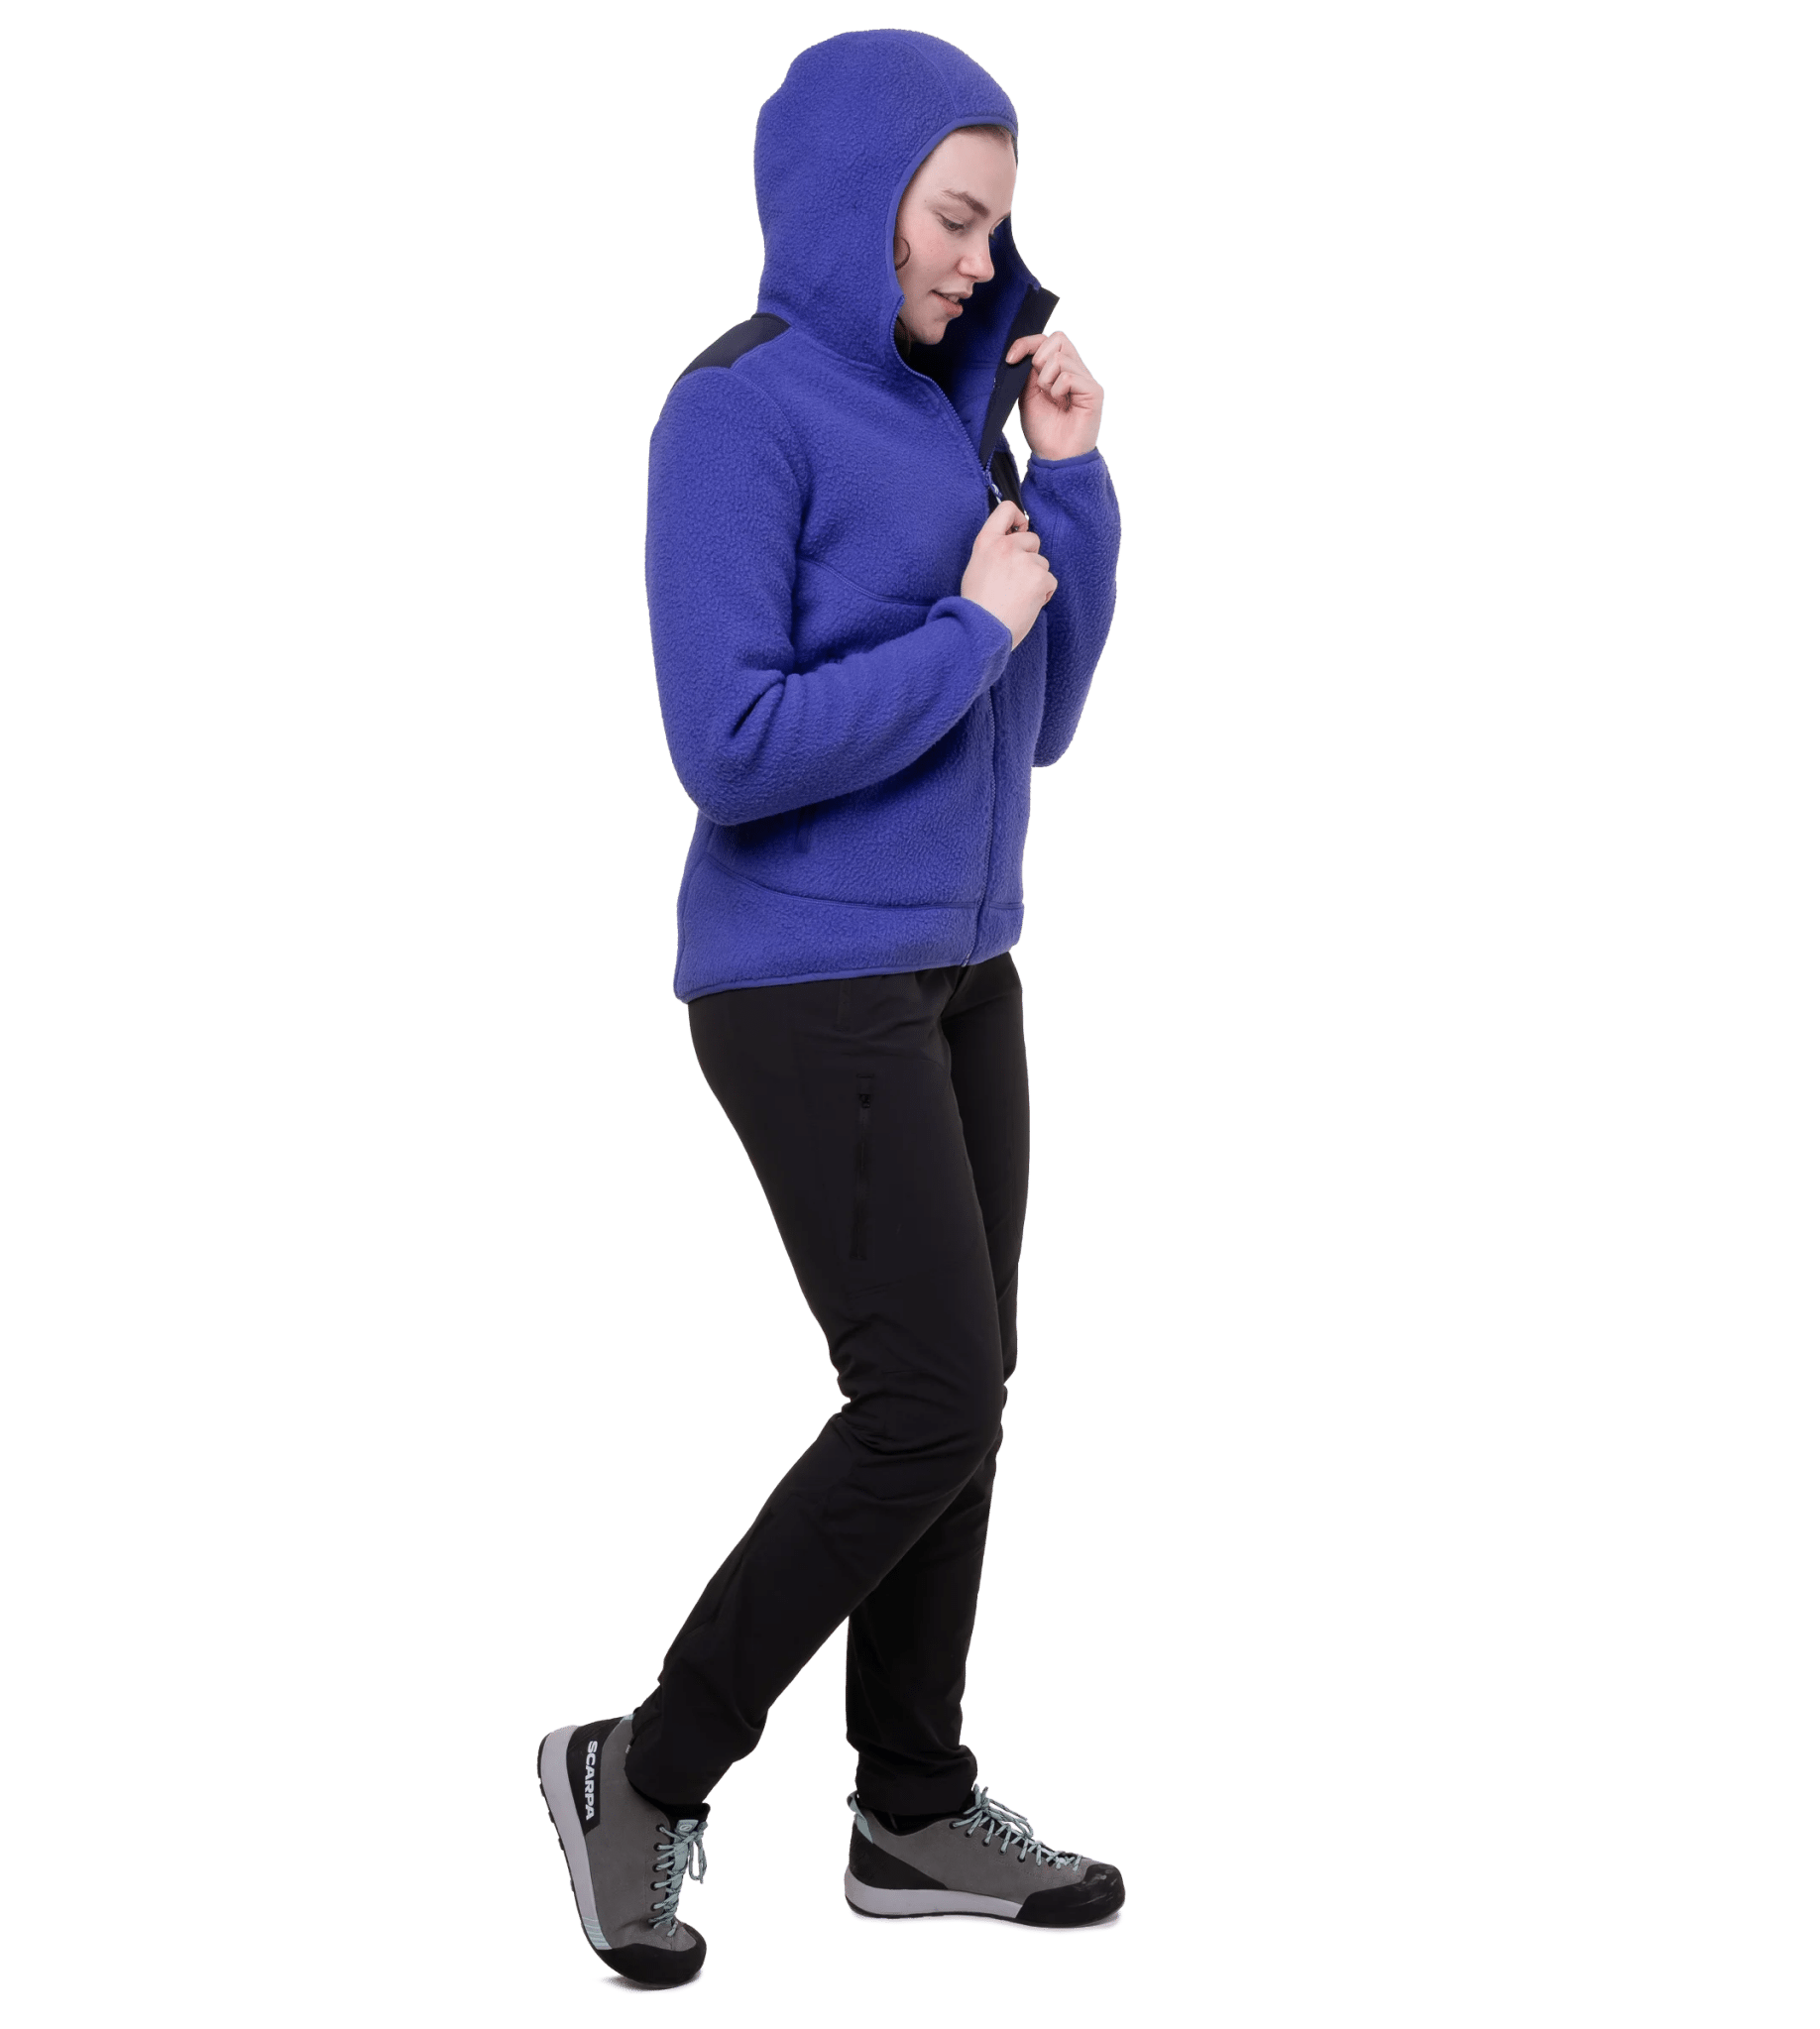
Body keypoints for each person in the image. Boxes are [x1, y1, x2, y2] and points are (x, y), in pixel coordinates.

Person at [537, 30, 1124, 1993]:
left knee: (967, 1398)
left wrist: (1068, 491)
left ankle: (910, 1805)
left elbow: (1041, 717)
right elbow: (729, 745)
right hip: (802, 973)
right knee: (927, 1395)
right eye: (952, 217)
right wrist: (968, 621)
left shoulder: (949, 420)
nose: (980, 259)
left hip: (963, 966)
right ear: (850, 195)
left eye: (997, 226)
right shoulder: (738, 410)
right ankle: (645, 1764)